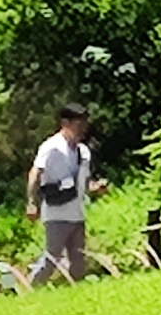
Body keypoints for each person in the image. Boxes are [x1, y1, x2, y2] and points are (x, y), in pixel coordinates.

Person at [26, 102, 107, 285]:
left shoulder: (83, 151)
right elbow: (35, 173)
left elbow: (84, 183)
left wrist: (96, 187)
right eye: (78, 125)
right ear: (65, 123)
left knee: (78, 259)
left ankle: (76, 291)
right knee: (52, 257)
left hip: (76, 213)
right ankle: (29, 289)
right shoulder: (51, 147)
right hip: (56, 213)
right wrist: (32, 202)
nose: (82, 130)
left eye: (84, 125)